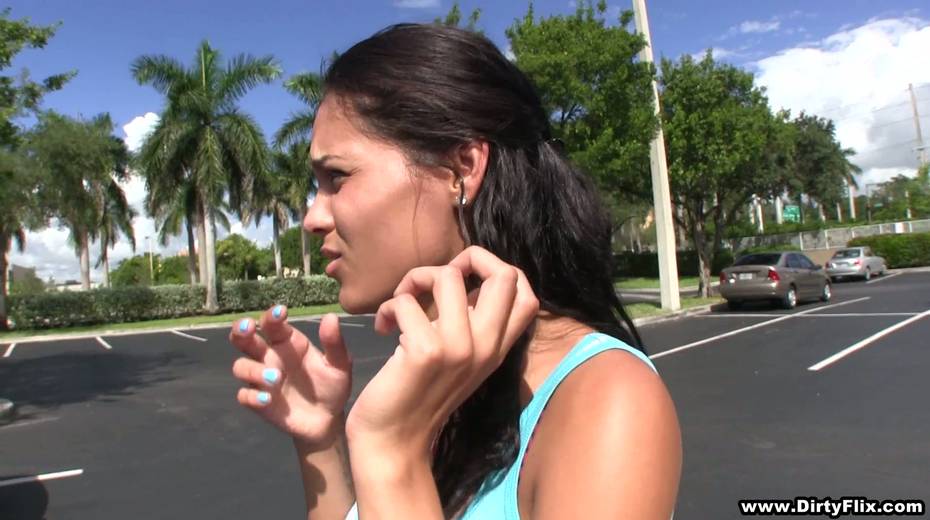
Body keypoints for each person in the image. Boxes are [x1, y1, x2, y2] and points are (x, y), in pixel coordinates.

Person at [228, 23, 681, 519]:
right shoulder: (438, 378)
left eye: (337, 177)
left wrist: (390, 451)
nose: (312, 218)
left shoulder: (606, 398)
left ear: (461, 168)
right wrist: (320, 438)